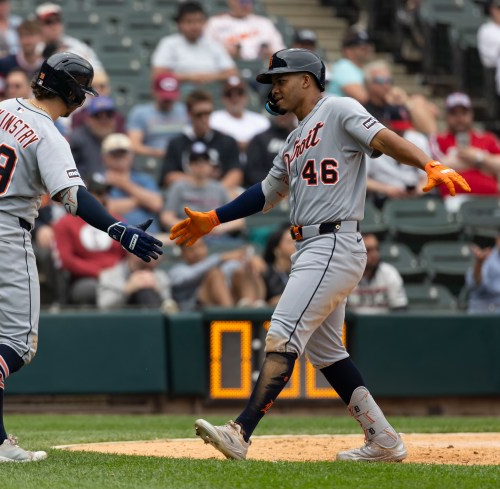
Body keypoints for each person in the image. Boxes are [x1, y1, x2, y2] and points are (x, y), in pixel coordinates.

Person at [170, 48, 470, 462]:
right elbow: (266, 192)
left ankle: (241, 431)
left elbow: (381, 136)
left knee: (282, 332)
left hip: (334, 240)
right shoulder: (294, 138)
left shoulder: (340, 108)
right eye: (272, 82)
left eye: (281, 79)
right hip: (310, 245)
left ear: (306, 81)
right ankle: (382, 439)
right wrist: (214, 218)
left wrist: (427, 163)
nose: (274, 88)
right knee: (327, 352)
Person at [0, 52, 163, 465]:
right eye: (81, 93)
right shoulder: (47, 134)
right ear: (71, 92)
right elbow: (74, 197)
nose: (82, 100)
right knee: (18, 345)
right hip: (3, 236)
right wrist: (118, 229)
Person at [53, 176, 125, 306]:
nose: (104, 198)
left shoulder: (117, 220)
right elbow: (66, 259)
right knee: (88, 289)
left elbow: (126, 254)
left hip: (118, 275)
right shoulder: (66, 223)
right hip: (85, 279)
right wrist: (98, 272)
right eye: (98, 193)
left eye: (106, 193)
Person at [160, 140, 244, 241]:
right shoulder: (178, 187)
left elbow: (239, 221)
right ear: (189, 165)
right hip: (189, 237)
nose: (200, 166)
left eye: (204, 162)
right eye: (195, 162)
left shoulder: (219, 188)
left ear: (210, 165)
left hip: (216, 237)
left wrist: (220, 228)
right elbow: (166, 217)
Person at [160, 89, 242, 192]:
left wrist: (216, 192)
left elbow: (236, 173)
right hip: (188, 194)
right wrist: (199, 186)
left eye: (208, 113)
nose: (204, 119)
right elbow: (169, 176)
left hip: (221, 194)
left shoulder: (227, 141)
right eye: (199, 114)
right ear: (189, 114)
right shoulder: (176, 143)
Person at [435, 92, 500, 212]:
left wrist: (478, 157)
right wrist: (486, 165)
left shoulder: (487, 138)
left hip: (491, 199)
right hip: (455, 201)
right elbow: (436, 168)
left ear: (471, 115)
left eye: (464, 113)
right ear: (447, 116)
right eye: (454, 113)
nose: (459, 118)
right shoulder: (439, 139)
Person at [151, 1, 238, 87]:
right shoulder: (169, 43)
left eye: (199, 21)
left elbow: (232, 72)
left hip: (211, 93)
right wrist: (191, 77)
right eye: (189, 22)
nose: (194, 26)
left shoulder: (213, 44)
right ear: (179, 23)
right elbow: (158, 75)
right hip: (177, 93)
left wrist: (209, 77)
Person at [100, 133, 163, 233]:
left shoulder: (144, 178)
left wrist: (125, 185)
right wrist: (139, 200)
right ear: (105, 157)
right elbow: (104, 209)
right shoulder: (100, 180)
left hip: (149, 235)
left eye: (123, 153)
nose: (119, 158)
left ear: (131, 155)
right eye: (114, 154)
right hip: (116, 239)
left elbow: (156, 204)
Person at [168, 238, 245, 311]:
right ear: (182, 253)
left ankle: (250, 308)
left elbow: (233, 268)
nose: (197, 252)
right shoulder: (177, 270)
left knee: (242, 271)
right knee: (214, 274)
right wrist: (220, 258)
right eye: (191, 249)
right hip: (195, 311)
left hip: (215, 306)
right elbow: (193, 273)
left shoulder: (213, 264)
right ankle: (230, 315)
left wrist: (249, 261)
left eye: (200, 246)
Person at [126, 72, 188, 159]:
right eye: (165, 98)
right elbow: (134, 145)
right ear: (154, 91)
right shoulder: (140, 113)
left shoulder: (185, 111)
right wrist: (158, 153)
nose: (167, 101)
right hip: (150, 161)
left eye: (170, 98)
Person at [204, 0, 285, 61]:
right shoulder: (215, 22)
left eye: (248, 1)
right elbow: (206, 50)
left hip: (261, 68)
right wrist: (223, 52)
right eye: (242, 1)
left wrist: (270, 53)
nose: (246, 4)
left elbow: (280, 51)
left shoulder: (264, 23)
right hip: (230, 67)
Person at [347, 233, 408, 313]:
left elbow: (400, 309)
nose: (374, 254)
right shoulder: (346, 275)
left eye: (377, 249)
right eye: (368, 250)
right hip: (353, 325)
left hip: (384, 324)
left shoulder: (389, 273)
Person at [209, 75, 270, 154]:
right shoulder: (213, 118)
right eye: (229, 94)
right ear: (223, 98)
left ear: (246, 97)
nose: (235, 98)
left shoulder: (261, 120)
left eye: (240, 93)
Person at [97, 252, 173, 310]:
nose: (148, 256)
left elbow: (169, 307)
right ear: (129, 252)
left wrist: (157, 289)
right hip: (119, 324)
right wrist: (127, 290)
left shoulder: (160, 276)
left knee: (146, 293)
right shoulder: (110, 275)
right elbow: (104, 306)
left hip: (154, 324)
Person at [326, 29, 373, 103]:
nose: (367, 48)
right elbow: (361, 97)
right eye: (362, 47)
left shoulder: (355, 68)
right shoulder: (344, 66)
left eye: (368, 45)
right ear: (348, 50)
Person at [466, 229, 500, 313]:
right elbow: (475, 283)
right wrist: (479, 263)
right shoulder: (488, 258)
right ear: (497, 239)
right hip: (483, 313)